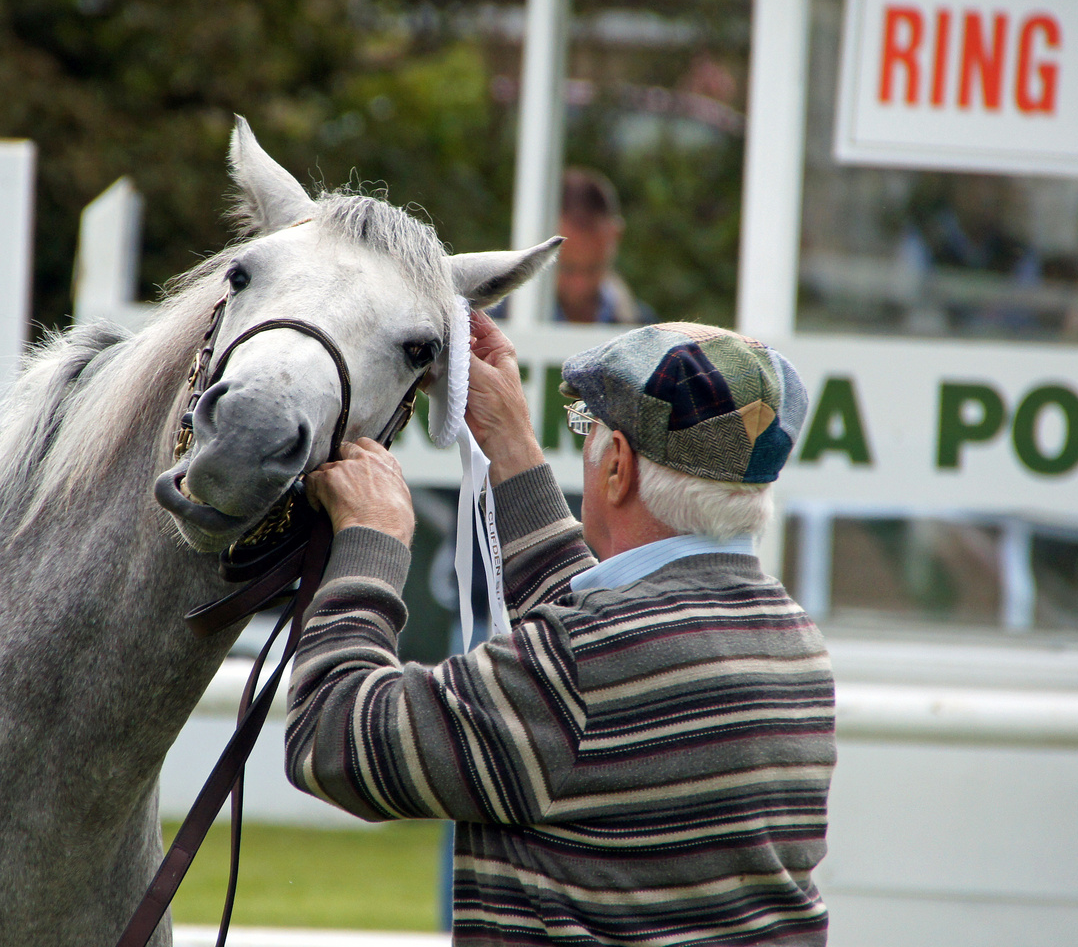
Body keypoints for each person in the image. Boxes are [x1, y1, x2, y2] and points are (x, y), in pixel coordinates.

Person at [290, 312, 835, 945]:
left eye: (589, 429)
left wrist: (371, 540)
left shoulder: (584, 665)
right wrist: (510, 442)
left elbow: (330, 740)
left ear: (618, 467)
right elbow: (601, 661)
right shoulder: (791, 638)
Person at [554, 167, 655, 324]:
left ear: (616, 236)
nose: (580, 286)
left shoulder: (644, 326)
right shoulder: (503, 322)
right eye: (567, 269)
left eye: (593, 268)